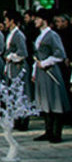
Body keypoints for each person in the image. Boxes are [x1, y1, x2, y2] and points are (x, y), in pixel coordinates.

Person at [32, 9, 70, 143]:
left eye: (37, 19)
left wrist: (46, 62)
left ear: (44, 20)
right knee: (46, 101)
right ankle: (48, 131)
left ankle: (56, 133)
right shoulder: (40, 35)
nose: (35, 21)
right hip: (42, 72)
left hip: (51, 71)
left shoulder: (52, 35)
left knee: (55, 100)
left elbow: (60, 54)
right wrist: (34, 71)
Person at [3, 10, 32, 131]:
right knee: (15, 94)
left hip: (19, 66)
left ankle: (24, 120)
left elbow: (22, 53)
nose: (5, 22)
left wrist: (10, 57)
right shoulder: (11, 34)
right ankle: (17, 118)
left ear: (12, 21)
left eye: (6, 20)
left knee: (22, 93)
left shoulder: (18, 35)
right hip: (12, 67)